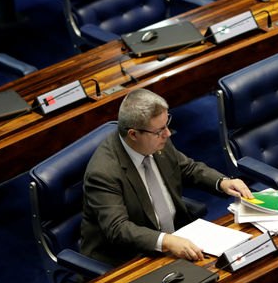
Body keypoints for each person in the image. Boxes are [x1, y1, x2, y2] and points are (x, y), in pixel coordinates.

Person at [80, 88, 252, 267]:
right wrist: (166, 241)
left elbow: (187, 168)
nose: (168, 134)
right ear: (133, 134)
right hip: (129, 258)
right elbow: (118, 229)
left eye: (167, 124)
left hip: (177, 238)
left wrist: (223, 182)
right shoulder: (103, 172)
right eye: (160, 130)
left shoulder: (156, 138)